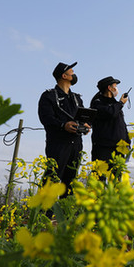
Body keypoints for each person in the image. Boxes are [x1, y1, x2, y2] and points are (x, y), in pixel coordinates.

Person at [38, 61, 90, 197]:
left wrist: (84, 125)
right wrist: (63, 125)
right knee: (52, 178)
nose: (74, 74)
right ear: (64, 76)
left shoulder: (77, 98)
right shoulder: (49, 96)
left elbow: (82, 116)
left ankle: (64, 215)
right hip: (58, 143)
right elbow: (46, 118)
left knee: (71, 180)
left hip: (76, 143)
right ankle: (44, 214)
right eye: (72, 72)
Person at [90, 76, 131, 175]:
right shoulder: (97, 103)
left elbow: (122, 125)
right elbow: (110, 113)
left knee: (116, 180)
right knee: (99, 178)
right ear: (109, 88)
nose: (117, 89)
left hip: (118, 148)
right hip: (104, 148)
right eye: (115, 86)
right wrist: (121, 103)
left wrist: (127, 141)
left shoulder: (115, 104)